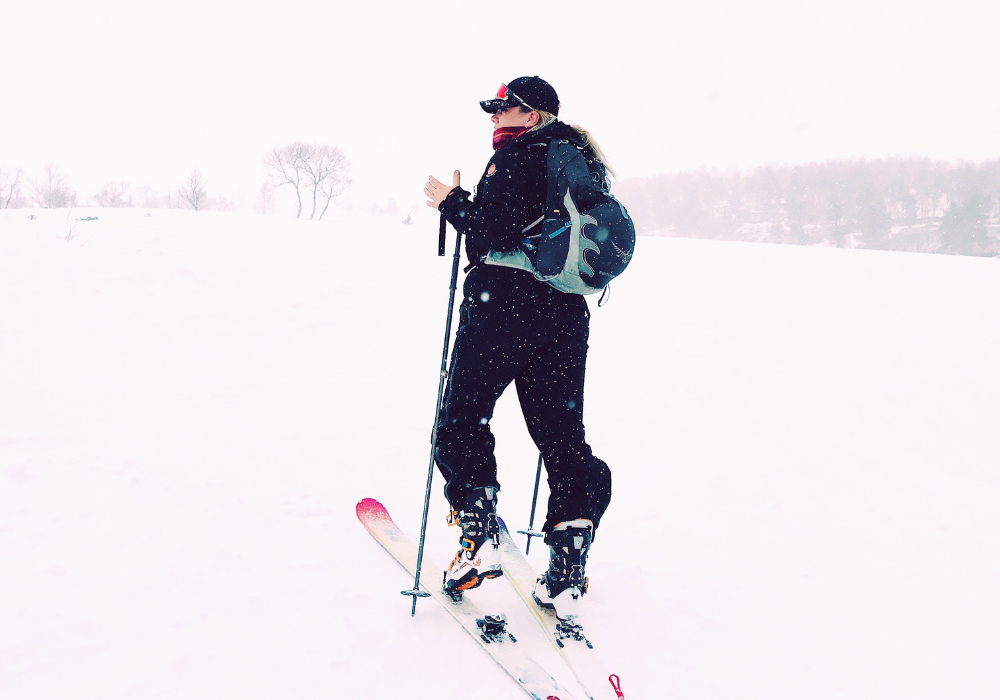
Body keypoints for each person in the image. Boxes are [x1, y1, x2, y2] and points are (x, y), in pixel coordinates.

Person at [423, 76, 613, 621]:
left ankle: (477, 532)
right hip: (565, 314)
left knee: (462, 421)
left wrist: (453, 202)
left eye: (504, 108)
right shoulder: (582, 161)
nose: (494, 118)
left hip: (501, 302)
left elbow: (489, 233)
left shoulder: (517, 158)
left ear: (532, 116)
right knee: (561, 434)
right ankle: (570, 553)